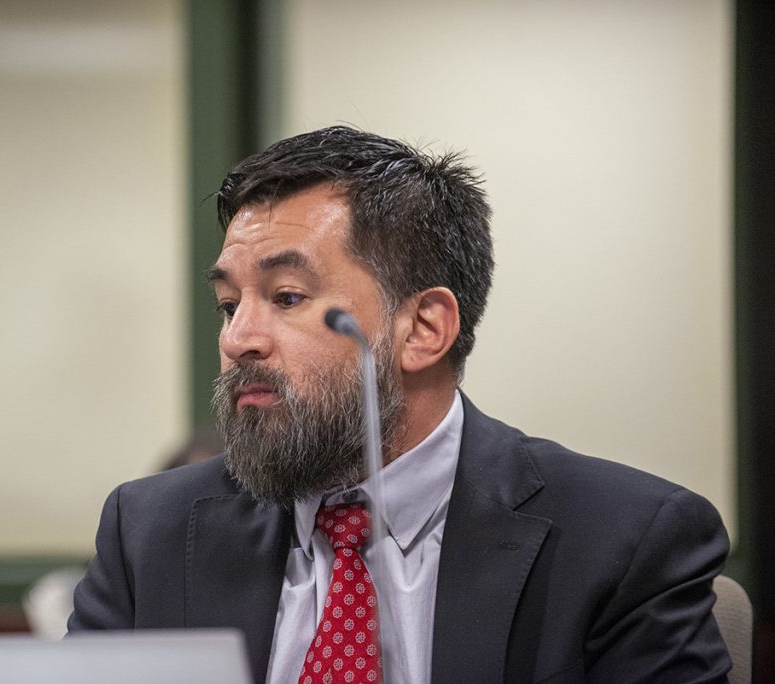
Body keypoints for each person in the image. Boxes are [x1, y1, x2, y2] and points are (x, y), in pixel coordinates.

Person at [68, 126, 730, 683]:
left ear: (423, 330)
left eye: (287, 297)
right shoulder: (150, 534)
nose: (238, 339)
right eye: (228, 305)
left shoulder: (622, 542)